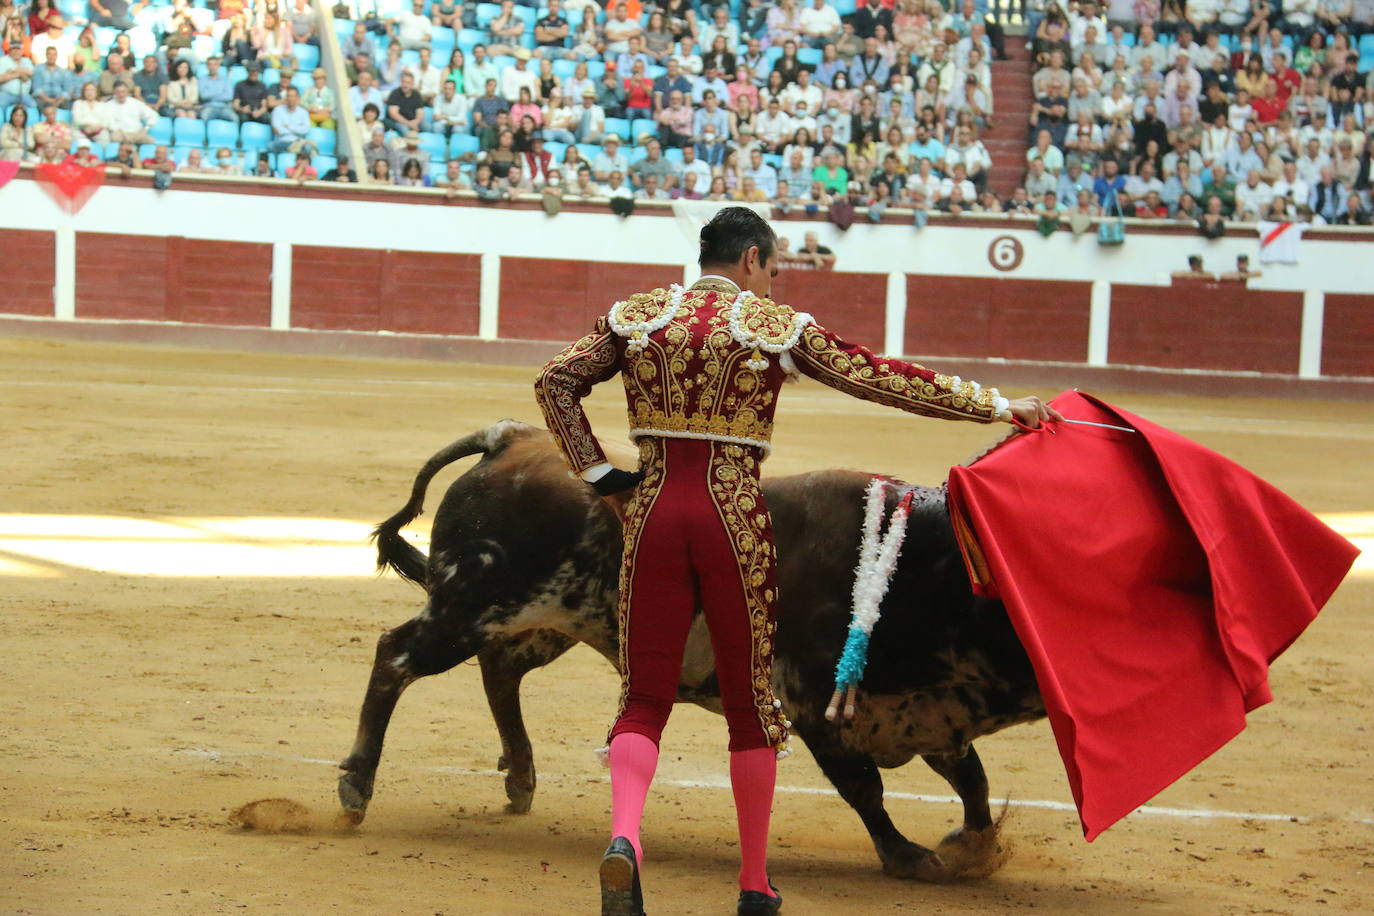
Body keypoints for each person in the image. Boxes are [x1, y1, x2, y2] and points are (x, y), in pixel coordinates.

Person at [536, 208, 1059, 916]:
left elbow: (555, 384)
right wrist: (997, 406)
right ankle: (754, 883)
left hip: (653, 515)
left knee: (644, 698)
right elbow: (883, 379)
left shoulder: (637, 317)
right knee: (752, 707)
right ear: (751, 259)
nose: (776, 284)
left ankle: (625, 841)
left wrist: (601, 477)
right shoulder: (772, 328)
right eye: (775, 269)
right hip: (734, 518)